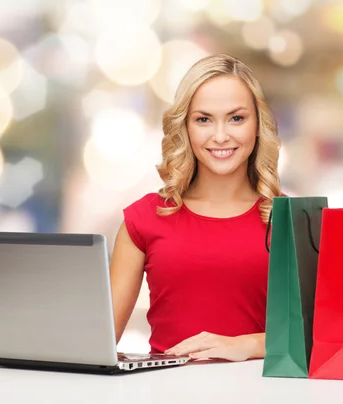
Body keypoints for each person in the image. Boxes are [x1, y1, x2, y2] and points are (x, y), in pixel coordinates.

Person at [110, 53, 281, 362]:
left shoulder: (290, 221)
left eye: (236, 118)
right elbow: (99, 342)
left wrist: (249, 345)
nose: (220, 136)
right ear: (185, 128)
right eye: (203, 119)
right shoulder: (144, 219)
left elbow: (322, 337)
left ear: (257, 125)